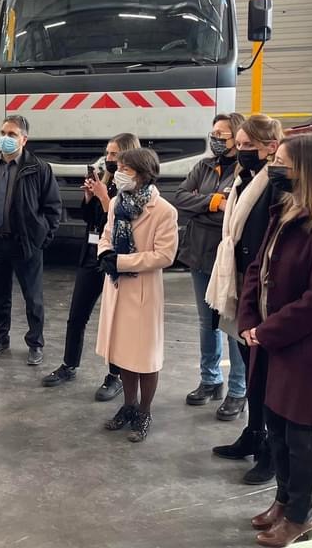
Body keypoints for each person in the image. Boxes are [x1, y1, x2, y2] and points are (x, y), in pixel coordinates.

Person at [238, 133, 312, 547]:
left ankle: (301, 516)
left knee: (303, 436)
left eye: (283, 163)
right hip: (275, 341)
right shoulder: (287, 210)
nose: (276, 169)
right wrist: (249, 317)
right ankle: (284, 501)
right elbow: (258, 265)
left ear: (307, 169)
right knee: (279, 428)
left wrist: (266, 331)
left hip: (309, 347)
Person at [206, 114, 283, 485]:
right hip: (241, 282)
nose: (241, 152)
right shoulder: (244, 179)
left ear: (271, 146)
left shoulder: (278, 183)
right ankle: (253, 433)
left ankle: (269, 448)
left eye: (249, 146)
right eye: (240, 145)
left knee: (263, 371)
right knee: (249, 364)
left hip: (264, 289)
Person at [42, 133, 140, 400]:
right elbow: (91, 220)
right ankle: (69, 364)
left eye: (115, 154)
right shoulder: (105, 182)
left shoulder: (132, 188)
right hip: (91, 255)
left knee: (114, 322)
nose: (109, 159)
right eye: (107, 154)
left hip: (116, 260)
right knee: (76, 315)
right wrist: (89, 197)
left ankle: (116, 376)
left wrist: (103, 198)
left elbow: (123, 221)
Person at [95, 148, 178, 442]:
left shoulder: (164, 211)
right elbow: (106, 233)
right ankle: (128, 406)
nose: (119, 173)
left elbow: (165, 255)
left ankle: (144, 411)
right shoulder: (117, 202)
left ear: (143, 174)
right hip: (117, 287)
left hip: (142, 291)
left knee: (145, 357)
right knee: (124, 354)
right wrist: (105, 252)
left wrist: (122, 261)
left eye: (126, 169)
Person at [0, 115, 61, 366]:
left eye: (11, 134)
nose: (5, 139)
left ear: (24, 139)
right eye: (3, 133)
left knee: (33, 297)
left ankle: (35, 343)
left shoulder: (39, 169)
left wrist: (42, 237)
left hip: (25, 243)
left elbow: (53, 207)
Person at [174, 112, 247, 420]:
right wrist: (215, 202)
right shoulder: (203, 166)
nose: (216, 139)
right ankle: (210, 379)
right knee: (208, 323)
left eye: (223, 135)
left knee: (232, 324)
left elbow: (237, 213)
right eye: (214, 133)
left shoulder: (247, 171)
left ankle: (237, 389)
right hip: (199, 254)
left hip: (228, 259)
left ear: (237, 138)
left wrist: (203, 203)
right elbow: (179, 197)